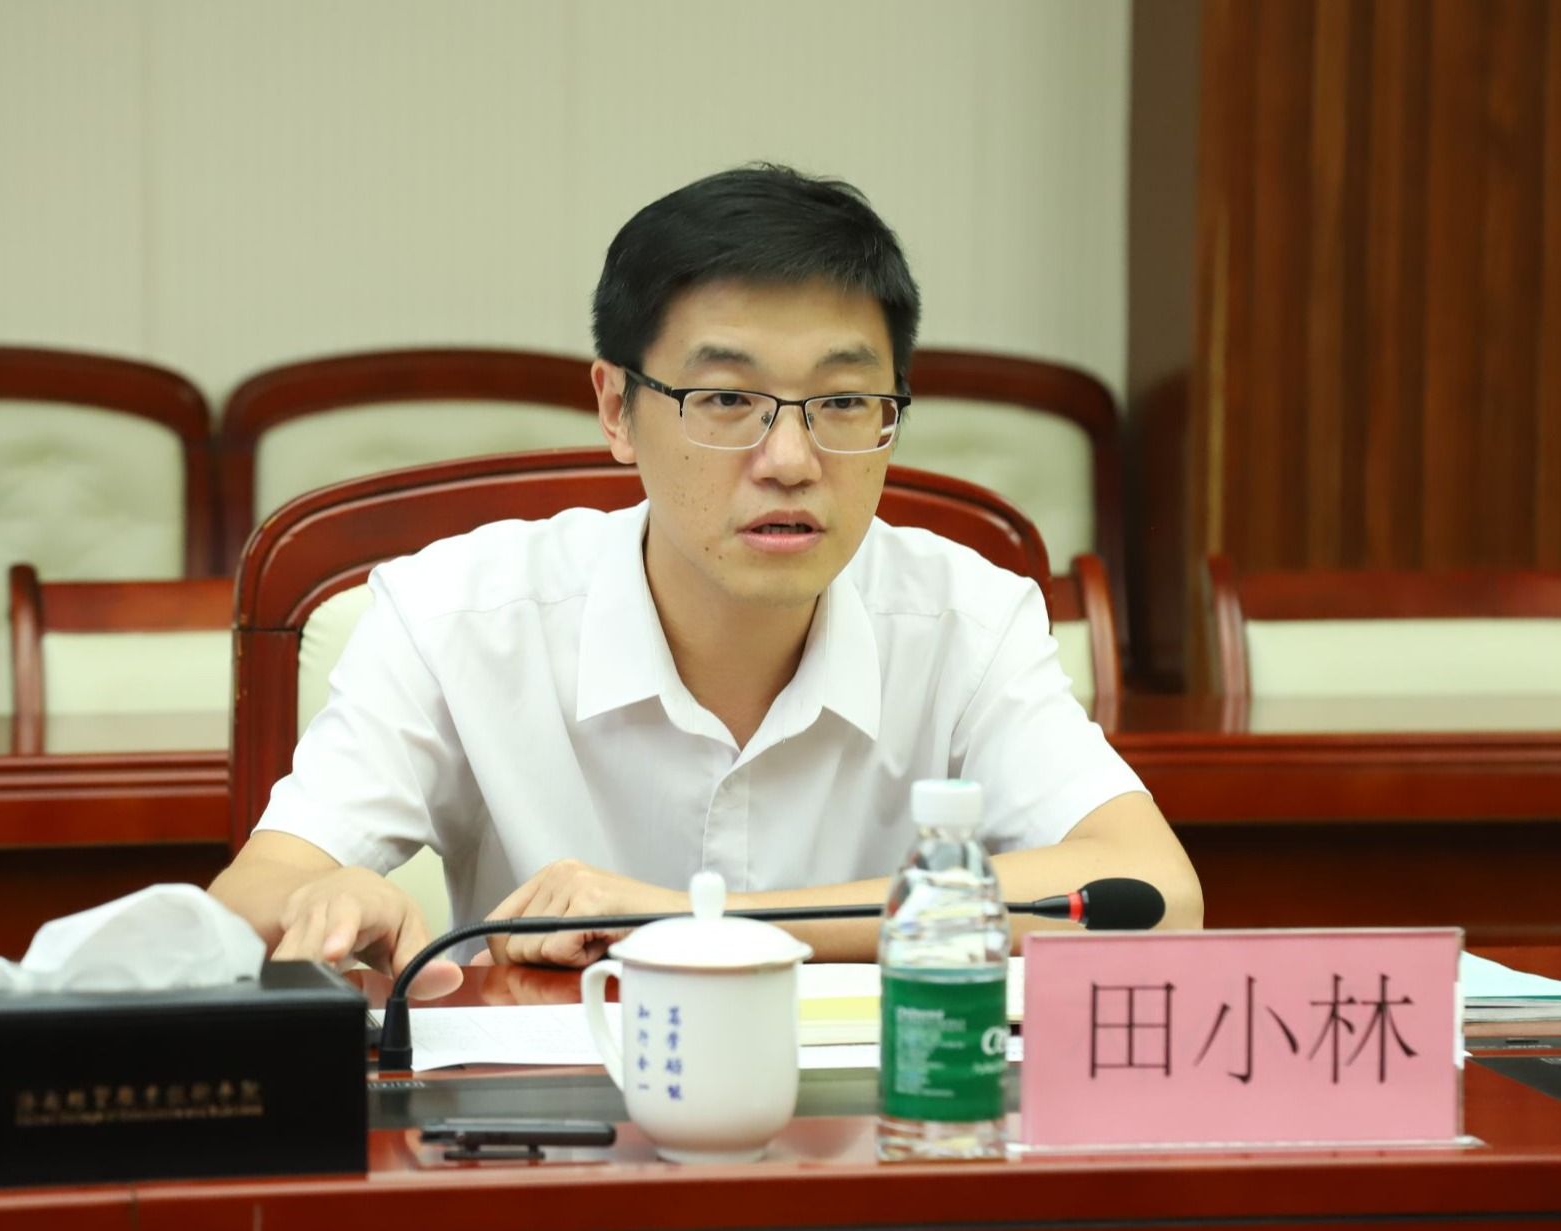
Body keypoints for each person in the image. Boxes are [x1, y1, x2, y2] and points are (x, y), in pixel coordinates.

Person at [209, 165, 1202, 997]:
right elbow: (248, 899)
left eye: (844, 401)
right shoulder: (455, 616)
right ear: (616, 408)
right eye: (726, 399)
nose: (790, 460)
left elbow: (1155, 895)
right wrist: (326, 900)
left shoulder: (966, 620)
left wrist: (689, 921)